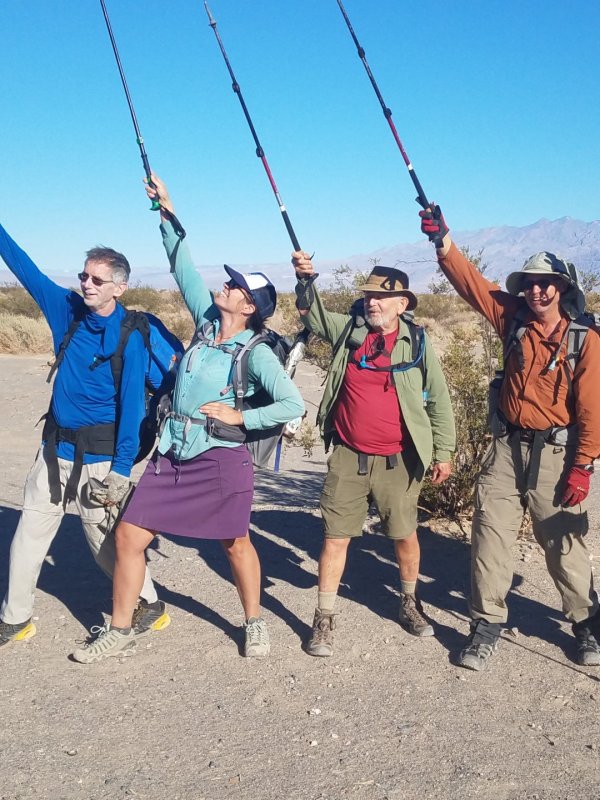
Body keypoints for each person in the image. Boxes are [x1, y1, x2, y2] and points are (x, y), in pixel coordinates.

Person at [71, 176, 305, 663]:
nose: (226, 285)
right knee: (129, 536)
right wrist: (167, 213)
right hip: (172, 453)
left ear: (249, 306)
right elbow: (184, 269)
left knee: (235, 543)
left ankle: (254, 622)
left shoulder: (256, 351)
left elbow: (292, 404)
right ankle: (121, 628)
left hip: (220, 457)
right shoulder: (206, 322)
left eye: (235, 286)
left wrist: (241, 414)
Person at [420, 204, 600, 670]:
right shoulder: (514, 319)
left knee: (562, 543)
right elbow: (473, 285)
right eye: (530, 283)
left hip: (558, 454)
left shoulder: (584, 339)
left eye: (546, 283)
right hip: (505, 448)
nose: (537, 290)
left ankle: (586, 624)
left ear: (564, 287)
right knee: (490, 538)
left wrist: (582, 465)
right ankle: (486, 625)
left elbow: (591, 409)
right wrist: (443, 241)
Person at [0, 224, 169, 650]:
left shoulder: (130, 336)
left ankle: (149, 602)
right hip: (53, 450)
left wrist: (120, 470)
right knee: (28, 536)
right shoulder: (67, 311)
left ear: (120, 287)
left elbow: (132, 409)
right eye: (84, 276)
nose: (87, 284)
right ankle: (15, 619)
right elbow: (24, 267)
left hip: (100, 458)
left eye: (97, 279)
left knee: (103, 546)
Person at [291, 251, 455, 657]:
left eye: (381, 297)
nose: (372, 302)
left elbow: (438, 399)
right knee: (335, 538)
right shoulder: (350, 329)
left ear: (403, 303)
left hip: (399, 458)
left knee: (404, 535)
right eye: (368, 295)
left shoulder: (417, 342)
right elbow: (312, 316)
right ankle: (324, 618)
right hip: (349, 455)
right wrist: (305, 280)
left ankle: (409, 602)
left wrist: (444, 451)